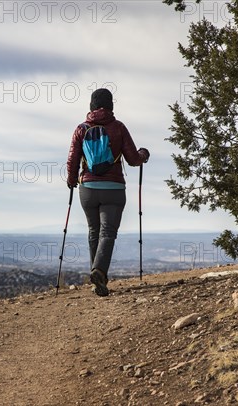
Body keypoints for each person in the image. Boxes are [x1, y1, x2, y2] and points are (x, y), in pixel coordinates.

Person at [66, 88, 150, 297]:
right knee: (108, 232)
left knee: (94, 232)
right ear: (111, 105)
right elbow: (132, 160)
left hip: (87, 189)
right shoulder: (119, 128)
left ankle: (98, 281)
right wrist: (144, 154)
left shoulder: (81, 129)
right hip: (113, 188)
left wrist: (71, 181)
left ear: (91, 106)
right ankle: (99, 271)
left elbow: (72, 161)